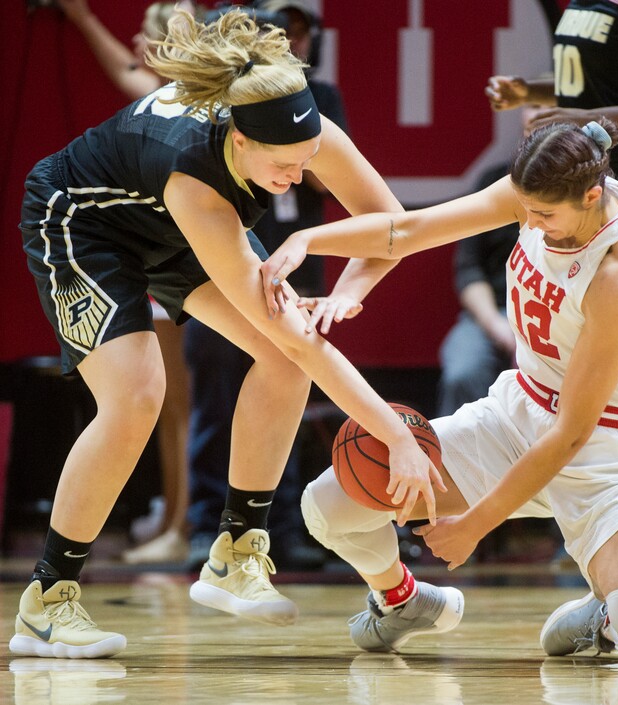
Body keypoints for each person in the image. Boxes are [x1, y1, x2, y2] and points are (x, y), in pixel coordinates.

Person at [11, 9, 446, 659]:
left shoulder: (294, 119)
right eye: (283, 167)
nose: (297, 178)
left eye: (306, 162)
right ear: (239, 142)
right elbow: (302, 336)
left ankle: (236, 552)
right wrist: (393, 434)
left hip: (164, 215)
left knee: (282, 356)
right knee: (136, 395)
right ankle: (47, 601)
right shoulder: (198, 180)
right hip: (85, 223)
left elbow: (391, 225)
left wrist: (347, 292)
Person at [262, 118, 618, 664]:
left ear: (591, 195)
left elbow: (571, 433)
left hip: (608, 451)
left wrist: (474, 527)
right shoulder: (537, 194)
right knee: (329, 505)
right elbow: (408, 231)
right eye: (526, 210)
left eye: (545, 215)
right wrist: (309, 240)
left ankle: (607, 612)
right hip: (518, 414)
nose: (531, 223)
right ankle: (401, 600)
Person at [484, 0, 618, 590]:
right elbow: (607, 74)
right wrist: (532, 90)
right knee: (598, 356)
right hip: (587, 177)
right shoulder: (579, 4)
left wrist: (589, 120)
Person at [185, 0, 348, 571]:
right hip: (210, 250)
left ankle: (277, 527)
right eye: (283, 30)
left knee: (291, 373)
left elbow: (355, 198)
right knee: (214, 388)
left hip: (291, 253)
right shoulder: (207, 114)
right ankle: (205, 524)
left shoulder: (316, 102)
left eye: (302, 31)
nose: (292, 40)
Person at [56, 0, 197, 563]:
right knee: (160, 407)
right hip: (154, 262)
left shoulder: (190, 105)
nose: (135, 42)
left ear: (169, 44)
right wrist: (82, 18)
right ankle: (174, 518)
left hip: (189, 261)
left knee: (183, 411)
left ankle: (186, 526)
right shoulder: (153, 95)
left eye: (145, 33)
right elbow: (123, 68)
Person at [436, 162, 517, 417]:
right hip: (492, 313)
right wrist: (496, 325)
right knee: (463, 372)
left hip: (557, 316)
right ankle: (454, 456)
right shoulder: (493, 179)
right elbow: (469, 269)